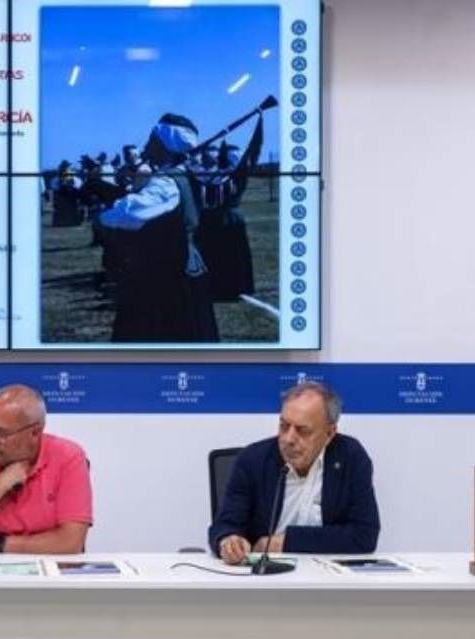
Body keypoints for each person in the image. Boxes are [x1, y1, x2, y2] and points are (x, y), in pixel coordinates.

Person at [208, 382, 380, 564]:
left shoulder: (350, 458)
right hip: (263, 573)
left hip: (326, 574)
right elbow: (223, 526)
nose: (289, 439)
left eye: (302, 431)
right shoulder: (253, 460)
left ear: (329, 433)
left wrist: (285, 542)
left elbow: (364, 535)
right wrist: (229, 541)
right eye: (284, 426)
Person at [99, 113, 218, 342]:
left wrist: (104, 213)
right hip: (187, 265)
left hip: (164, 273)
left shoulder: (166, 183)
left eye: (152, 139)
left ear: (165, 144)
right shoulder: (186, 175)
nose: (146, 145)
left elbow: (126, 215)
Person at [0, 384, 92, 554]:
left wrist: (0, 545)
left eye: (1, 433)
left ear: (35, 432)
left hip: (48, 568)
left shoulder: (68, 457)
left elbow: (70, 543)